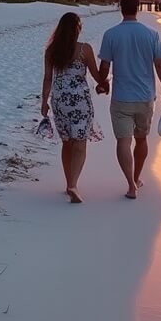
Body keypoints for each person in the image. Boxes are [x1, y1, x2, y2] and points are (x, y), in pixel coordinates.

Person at [98, 0, 161, 199]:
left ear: (121, 8)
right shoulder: (151, 34)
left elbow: (104, 66)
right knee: (141, 139)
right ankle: (136, 177)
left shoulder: (111, 34)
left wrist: (101, 82)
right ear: (138, 8)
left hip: (121, 97)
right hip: (145, 97)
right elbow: (159, 64)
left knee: (123, 141)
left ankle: (131, 184)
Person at [41, 12, 107, 203]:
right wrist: (105, 73)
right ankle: (73, 185)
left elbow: (47, 78)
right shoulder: (84, 49)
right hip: (79, 101)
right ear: (77, 28)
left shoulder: (51, 50)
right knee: (80, 143)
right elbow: (97, 77)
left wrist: (44, 102)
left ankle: (69, 183)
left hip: (59, 100)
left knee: (67, 142)